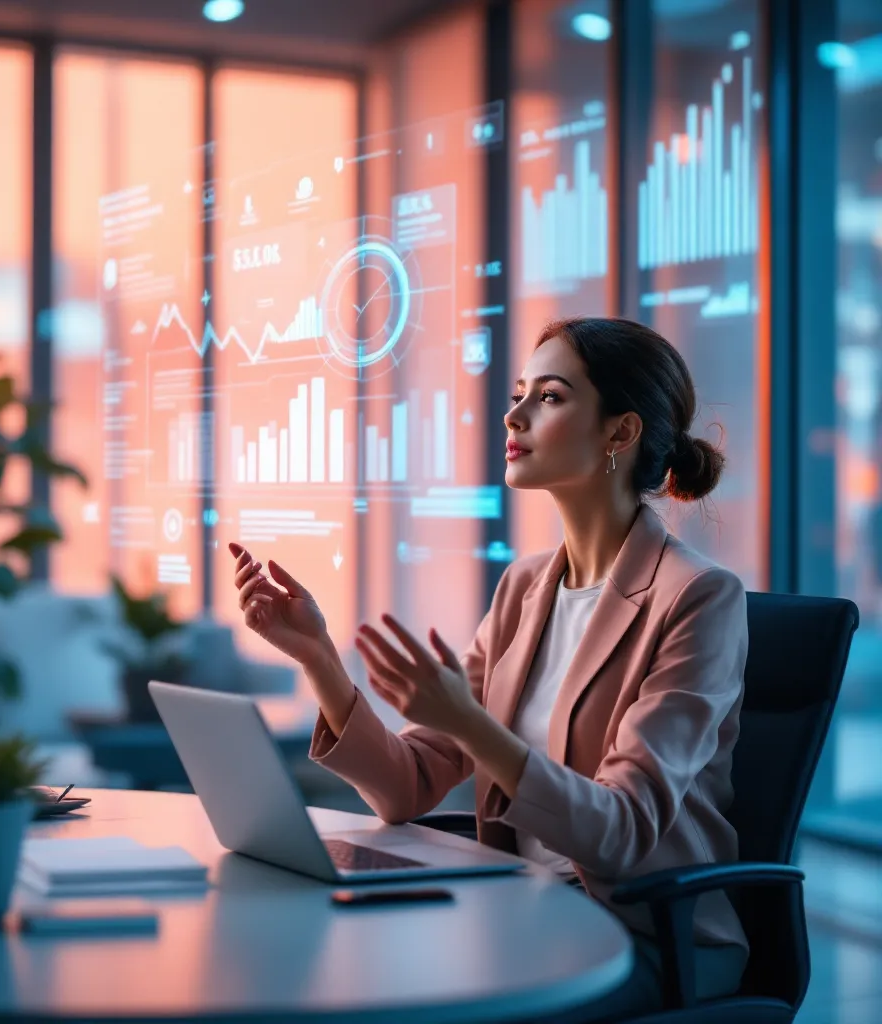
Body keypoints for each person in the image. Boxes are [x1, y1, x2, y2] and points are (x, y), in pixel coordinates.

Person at [228, 316, 749, 1018]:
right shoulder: (524, 589)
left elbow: (624, 832)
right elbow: (406, 787)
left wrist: (472, 725)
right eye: (518, 394)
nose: (514, 414)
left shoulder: (698, 598)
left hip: (640, 939)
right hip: (520, 913)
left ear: (619, 433)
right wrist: (316, 655)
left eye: (550, 396)